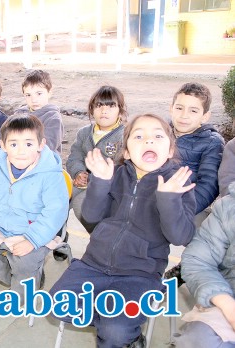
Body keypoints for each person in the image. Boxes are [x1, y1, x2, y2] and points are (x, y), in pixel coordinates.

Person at [49, 113, 196, 348]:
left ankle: (121, 332)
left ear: (170, 150)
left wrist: (169, 199)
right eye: (138, 136)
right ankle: (125, 331)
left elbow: (182, 236)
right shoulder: (115, 174)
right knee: (57, 304)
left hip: (139, 274)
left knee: (114, 331)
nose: (148, 141)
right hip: (93, 264)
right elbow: (91, 215)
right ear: (126, 151)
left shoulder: (177, 184)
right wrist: (101, 182)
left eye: (158, 136)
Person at [0, 114, 69, 297]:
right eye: (14, 144)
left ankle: (25, 280)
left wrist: (32, 240)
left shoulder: (51, 174)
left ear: (41, 144)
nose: (21, 151)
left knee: (25, 264)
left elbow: (55, 211)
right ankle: (14, 277)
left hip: (33, 232)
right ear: (3, 145)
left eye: (28, 144)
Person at [164, 82, 224, 285]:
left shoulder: (212, 142)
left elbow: (209, 184)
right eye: (179, 108)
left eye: (193, 110)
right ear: (171, 108)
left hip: (188, 202)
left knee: (203, 234)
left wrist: (185, 208)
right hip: (154, 195)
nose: (184, 115)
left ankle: (189, 264)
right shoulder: (158, 131)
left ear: (205, 116)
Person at [177, 183, 235, 348]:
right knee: (199, 339)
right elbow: (199, 259)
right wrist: (228, 306)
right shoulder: (228, 207)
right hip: (228, 297)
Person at [66, 85, 127, 233]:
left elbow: (122, 169)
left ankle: (100, 239)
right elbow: (74, 157)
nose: (104, 110)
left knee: (83, 207)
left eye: (111, 106)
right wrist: (78, 172)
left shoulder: (124, 135)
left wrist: (92, 179)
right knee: (56, 200)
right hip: (79, 183)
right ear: (91, 109)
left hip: (107, 189)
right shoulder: (84, 133)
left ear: (120, 110)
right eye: (99, 105)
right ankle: (57, 239)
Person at [16, 69, 64, 154]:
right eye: (28, 95)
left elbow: (48, 146)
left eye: (39, 94)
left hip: (44, 161)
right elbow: (5, 137)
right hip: (18, 157)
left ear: (49, 93)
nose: (34, 99)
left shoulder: (53, 118)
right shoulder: (18, 114)